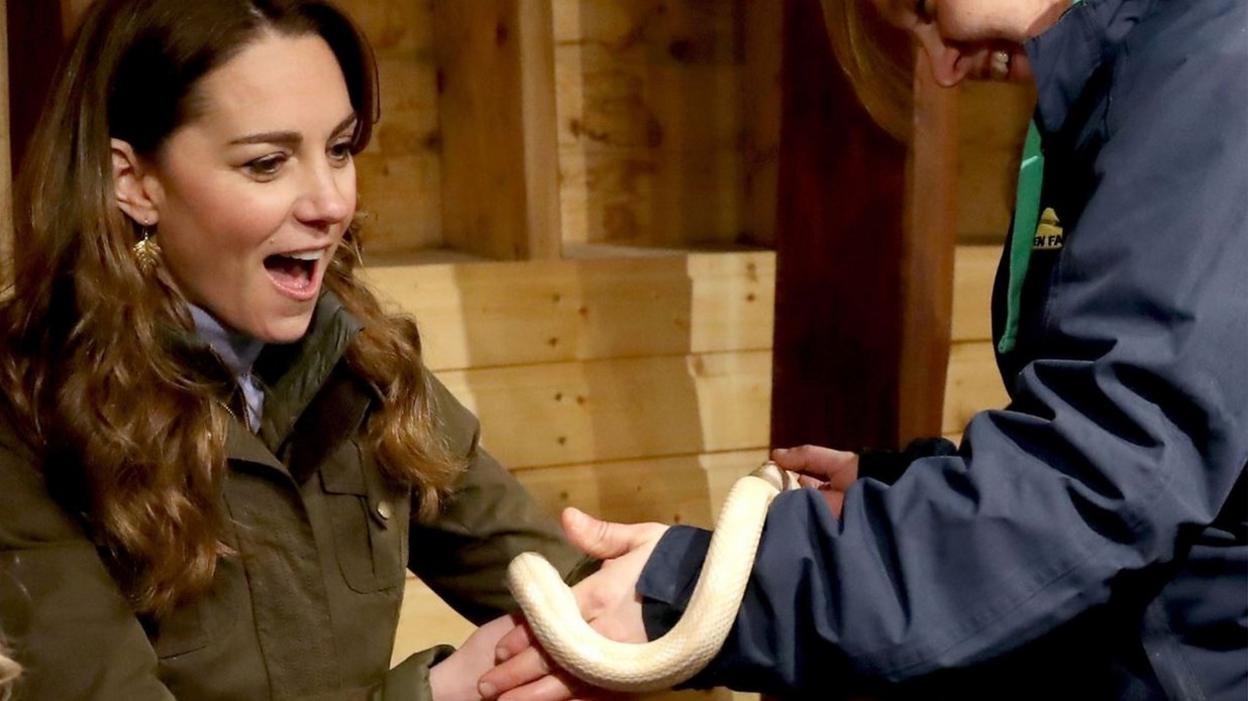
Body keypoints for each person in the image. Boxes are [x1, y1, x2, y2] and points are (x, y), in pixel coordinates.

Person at [479, 0, 1248, 698]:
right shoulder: (1131, 86)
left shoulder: (1213, 71)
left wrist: (702, 587)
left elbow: (1101, 477)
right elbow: (1139, 444)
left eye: (920, 4)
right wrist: (900, 482)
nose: (943, 67)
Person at [0, 1, 593, 698]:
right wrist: (441, 694)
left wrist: (686, 584)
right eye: (267, 162)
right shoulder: (26, 414)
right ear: (133, 182)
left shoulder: (364, 363)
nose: (330, 201)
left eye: (340, 149)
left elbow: (568, 594)